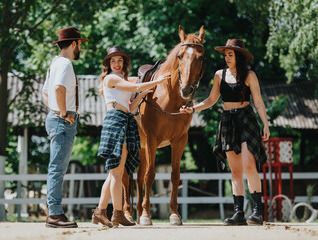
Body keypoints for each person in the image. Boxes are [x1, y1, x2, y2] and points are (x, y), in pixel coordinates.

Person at [180, 39, 270, 225]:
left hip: (247, 120)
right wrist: (193, 109)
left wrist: (266, 124)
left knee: (249, 165)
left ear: (239, 56)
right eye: (225, 55)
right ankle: (239, 214)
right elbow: (212, 100)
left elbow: (259, 102)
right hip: (228, 121)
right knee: (235, 171)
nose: (226, 58)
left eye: (230, 54)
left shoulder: (249, 75)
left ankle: (257, 212)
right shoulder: (219, 75)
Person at [91, 46, 170, 227]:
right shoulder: (111, 78)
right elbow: (135, 86)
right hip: (115, 121)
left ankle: (102, 212)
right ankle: (116, 213)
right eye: (113, 61)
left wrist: (143, 94)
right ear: (108, 64)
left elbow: (130, 106)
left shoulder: (121, 79)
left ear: (124, 63)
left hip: (125, 119)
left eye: (120, 60)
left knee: (115, 173)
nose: (117, 64)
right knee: (116, 172)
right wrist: (157, 81)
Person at [42, 26, 88, 228]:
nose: (80, 48)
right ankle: (54, 213)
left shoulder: (54, 63)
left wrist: (54, 110)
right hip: (62, 121)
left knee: (57, 167)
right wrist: (62, 113)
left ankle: (54, 211)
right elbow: (58, 89)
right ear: (74, 43)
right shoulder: (66, 64)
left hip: (56, 118)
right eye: (80, 44)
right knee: (57, 168)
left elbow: (45, 93)